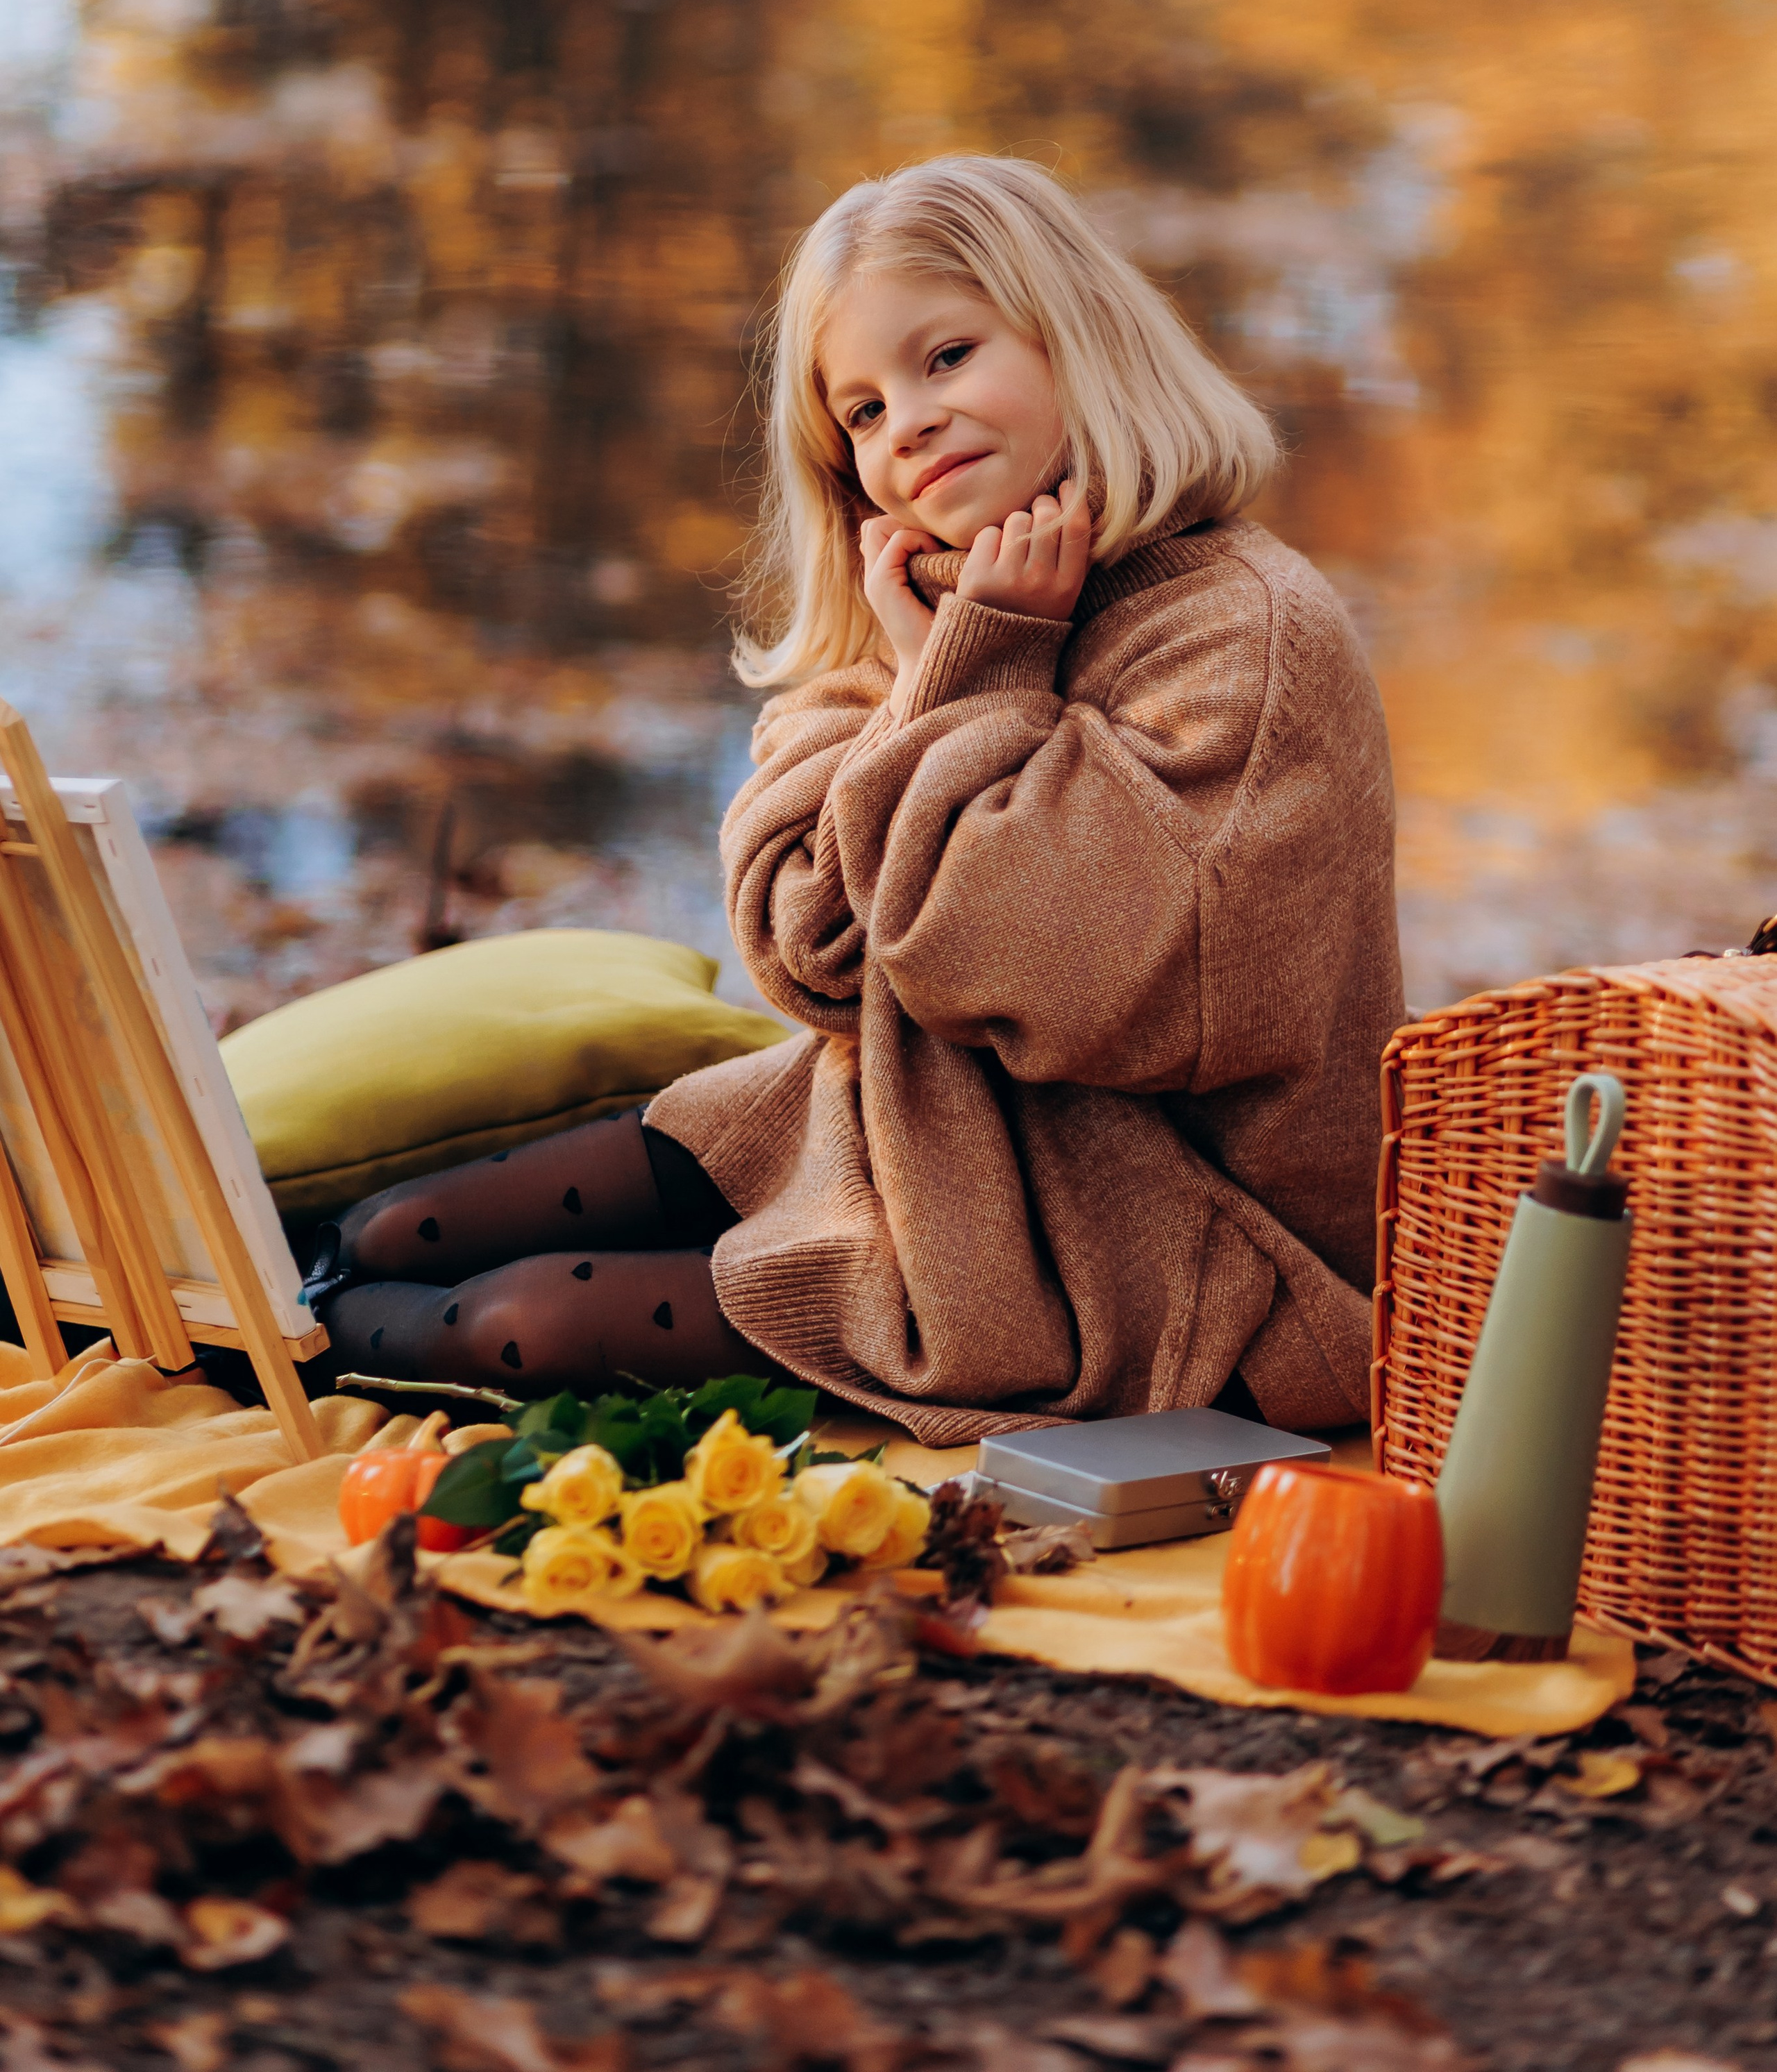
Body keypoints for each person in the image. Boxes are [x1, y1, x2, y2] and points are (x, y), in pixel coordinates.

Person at [312, 155, 1403, 1439]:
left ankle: (257, 1344)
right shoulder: (917, 609)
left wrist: (988, 670)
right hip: (907, 1141)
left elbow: (1042, 980)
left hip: (1159, 1251)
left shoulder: (1245, 636)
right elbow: (806, 952)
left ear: (1080, 339)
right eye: (865, 413)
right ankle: (234, 1308)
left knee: (517, 1324)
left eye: (947, 358)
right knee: (398, 1226)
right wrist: (929, 662)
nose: (911, 426)